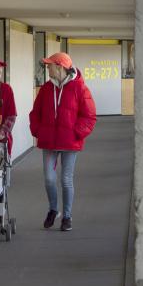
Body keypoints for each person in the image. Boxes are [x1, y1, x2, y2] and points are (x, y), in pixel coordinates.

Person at [28, 51, 97, 231]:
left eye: (49, 65)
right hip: (49, 141)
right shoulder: (46, 89)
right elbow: (35, 113)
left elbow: (89, 116)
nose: (47, 68)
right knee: (49, 179)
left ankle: (67, 216)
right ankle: (53, 209)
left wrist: (76, 133)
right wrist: (38, 131)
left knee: (66, 180)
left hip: (69, 142)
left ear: (60, 67)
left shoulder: (80, 88)